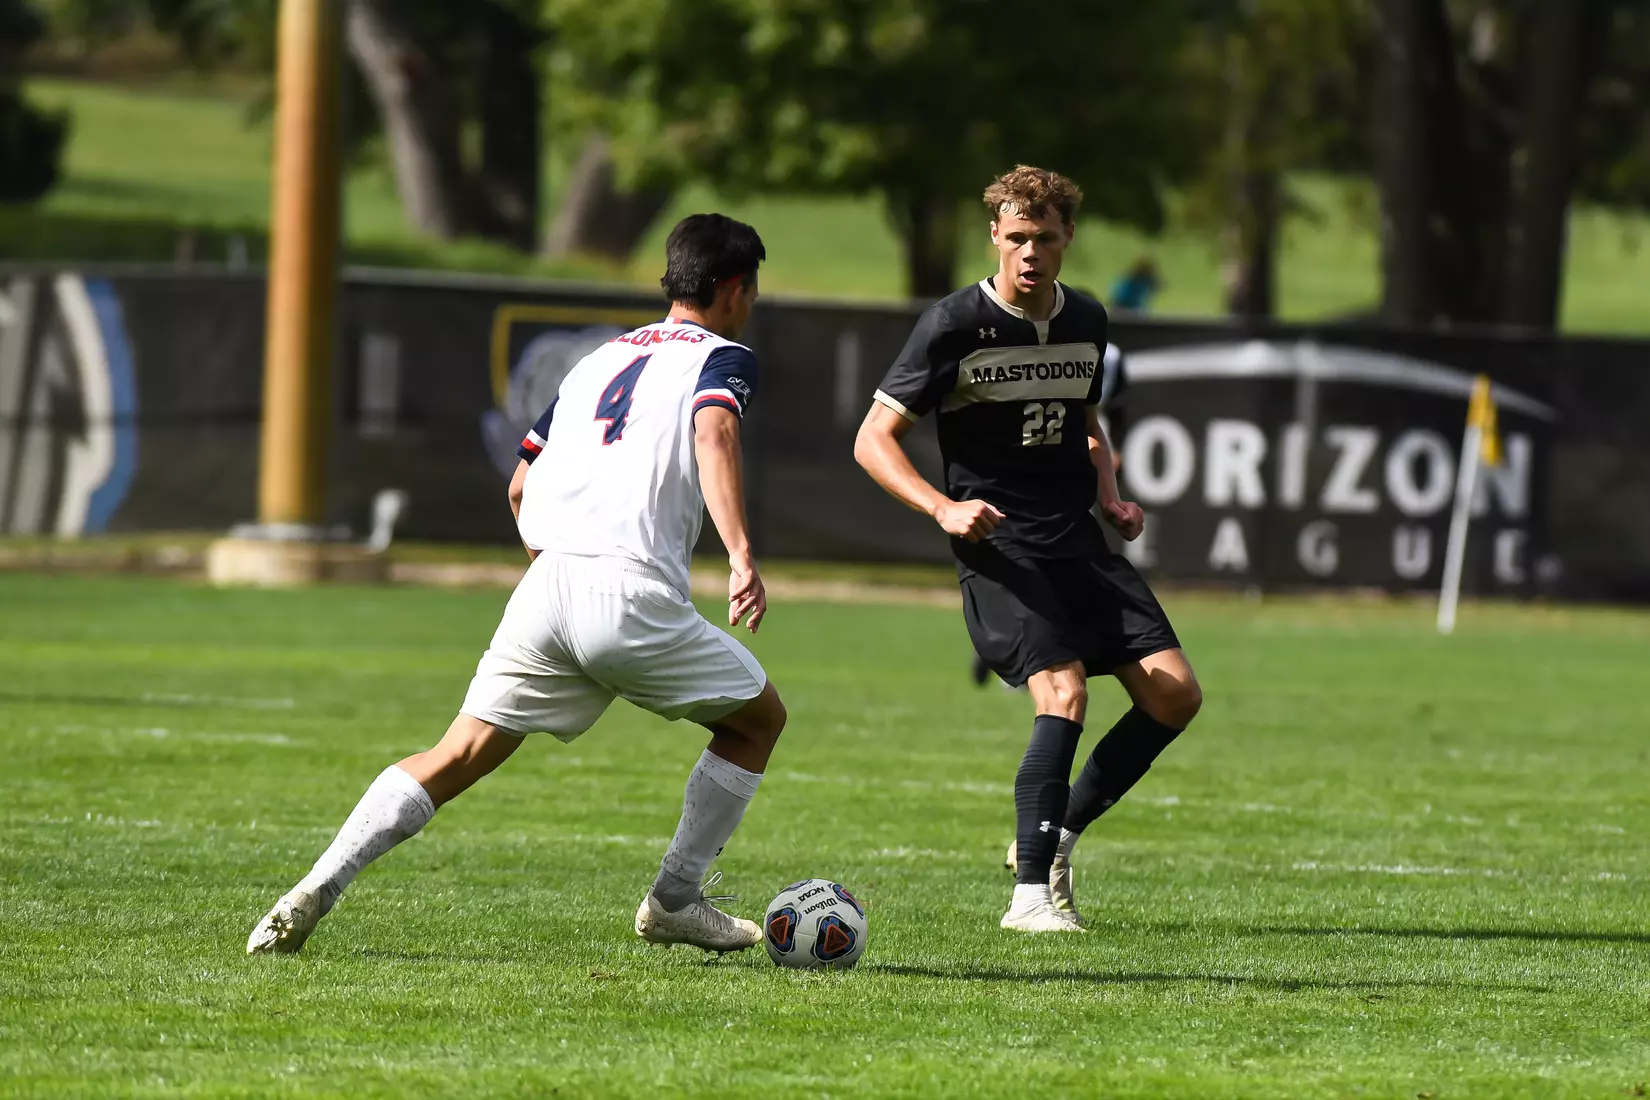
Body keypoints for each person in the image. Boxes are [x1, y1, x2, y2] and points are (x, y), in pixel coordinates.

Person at [248, 214, 786, 957]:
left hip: (548, 583)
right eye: (752, 290)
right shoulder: (725, 356)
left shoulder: (594, 360)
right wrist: (741, 552)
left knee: (455, 753)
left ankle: (316, 884)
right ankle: (674, 899)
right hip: (627, 595)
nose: (751, 304)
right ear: (731, 288)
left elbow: (519, 484)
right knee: (758, 721)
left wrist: (555, 578)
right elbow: (715, 431)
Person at [854, 166, 1202, 934]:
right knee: (1064, 694)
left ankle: (1053, 837)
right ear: (995, 239)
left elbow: (1081, 417)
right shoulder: (952, 324)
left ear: (1067, 239)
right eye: (1015, 238)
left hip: (1076, 536)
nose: (1029, 253)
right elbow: (872, 440)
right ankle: (1029, 902)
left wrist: (1108, 491)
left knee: (1174, 693)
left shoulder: (1086, 318)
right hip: (1001, 547)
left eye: (1044, 238)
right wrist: (942, 507)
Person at [970, 338, 1129, 687]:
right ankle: (1014, 647)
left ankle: (1016, 646)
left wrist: (1109, 456)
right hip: (1032, 475)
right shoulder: (1017, 346)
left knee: (1057, 568)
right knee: (1031, 565)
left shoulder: (1106, 354)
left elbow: (1105, 414)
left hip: (1076, 466)